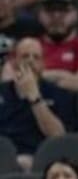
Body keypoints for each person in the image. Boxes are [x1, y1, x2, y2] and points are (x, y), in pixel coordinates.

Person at [0, 37, 71, 169]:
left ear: (43, 63)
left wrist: (35, 98)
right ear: (14, 61)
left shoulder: (58, 93)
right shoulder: (2, 91)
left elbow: (58, 136)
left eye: (36, 57)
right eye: (25, 56)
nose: (30, 61)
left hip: (38, 158)